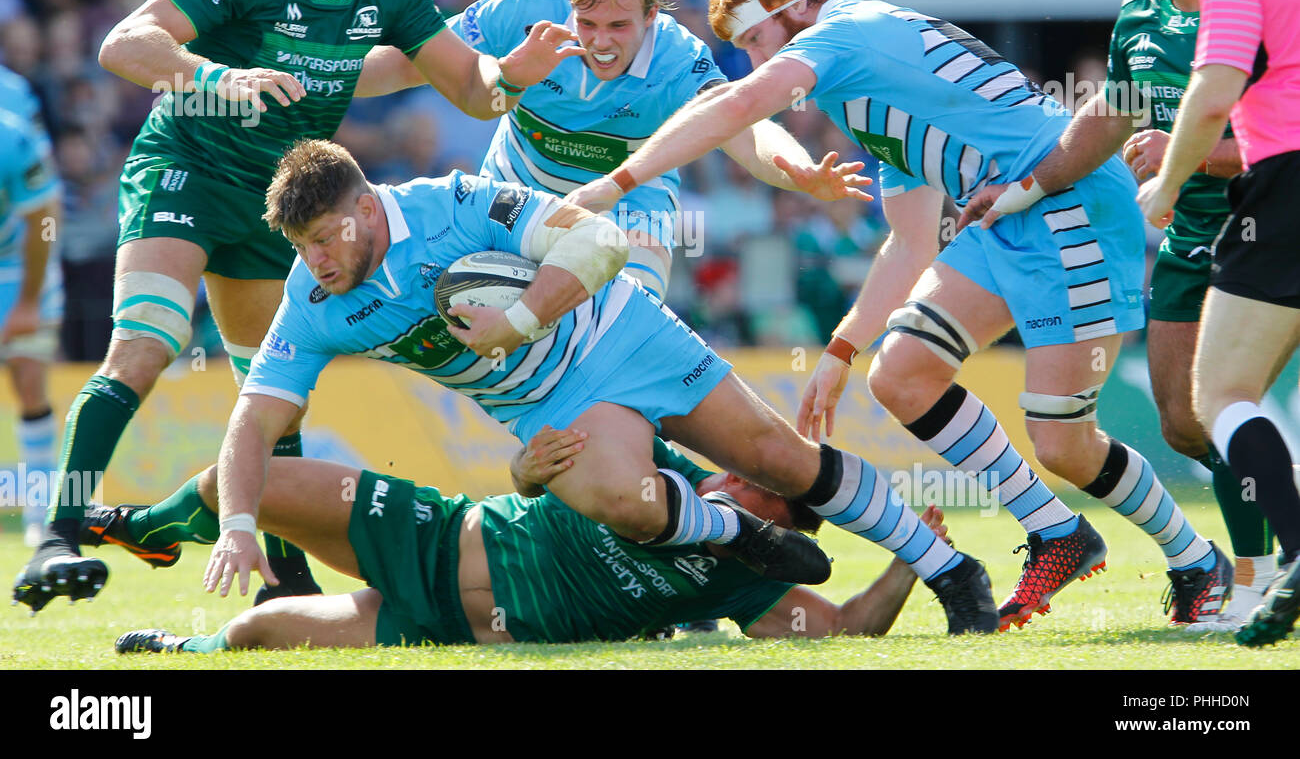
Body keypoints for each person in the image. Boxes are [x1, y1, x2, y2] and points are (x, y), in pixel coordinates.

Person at [569, 0, 1232, 630]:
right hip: (1003, 214)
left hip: (1068, 206)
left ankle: (1194, 560)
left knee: (1064, 442)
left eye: (757, 39)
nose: (758, 61)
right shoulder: (862, 85)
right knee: (902, 374)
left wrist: (617, 181)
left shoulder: (843, 34)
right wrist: (841, 350)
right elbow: (912, 239)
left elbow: (738, 108)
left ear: (795, 3)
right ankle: (1059, 533)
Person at [13, 0, 583, 613]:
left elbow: (472, 92)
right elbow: (125, 44)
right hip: (187, 163)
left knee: (271, 391)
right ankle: (60, 531)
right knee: (148, 342)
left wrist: (513, 75)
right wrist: (220, 76)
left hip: (280, 201)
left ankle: (282, 577)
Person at [200, 138, 999, 634]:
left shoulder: (453, 206)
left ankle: (952, 572)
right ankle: (733, 533)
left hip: (621, 332)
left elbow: (600, 238)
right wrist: (238, 521)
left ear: (367, 208)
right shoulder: (313, 304)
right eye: (302, 248)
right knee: (628, 505)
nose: (317, 262)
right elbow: (252, 420)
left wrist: (520, 319)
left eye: (325, 237)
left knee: (783, 460)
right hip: (550, 404)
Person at [95, 428, 952, 651]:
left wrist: (914, 563)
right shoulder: (653, 463)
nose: (745, 487)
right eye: (755, 475)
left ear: (781, 529)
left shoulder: (740, 581)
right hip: (433, 538)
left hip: (441, 627)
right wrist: (527, 469)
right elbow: (529, 474)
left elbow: (839, 630)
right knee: (238, 481)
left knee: (252, 633)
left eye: (773, 505)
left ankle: (184, 647)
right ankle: (155, 530)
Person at [359, 0, 868, 300]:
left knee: (621, 328)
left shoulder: (678, 57)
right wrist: (322, 80)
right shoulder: (524, 11)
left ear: (652, 16)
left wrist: (797, 171)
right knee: (473, 314)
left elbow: (743, 126)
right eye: (588, 23)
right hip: (518, 192)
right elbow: (416, 61)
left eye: (619, 26)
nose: (600, 42)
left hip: (631, 206)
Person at [1136, 0, 1300, 647]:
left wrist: (1165, 185)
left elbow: (1213, 89)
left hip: (1285, 187)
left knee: (1222, 392)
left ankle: (1297, 546)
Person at [1093, 0, 1270, 631]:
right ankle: (1278, 509)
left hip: (1267, 229)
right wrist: (1025, 183)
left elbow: (1276, 141)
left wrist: (1181, 154)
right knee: (1182, 423)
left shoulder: (1257, 8)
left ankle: (1258, 577)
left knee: (1223, 403)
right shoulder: (1137, 17)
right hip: (1189, 235)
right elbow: (1110, 116)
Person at [0, 73, 61, 548]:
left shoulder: (12, 126)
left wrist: (26, 302)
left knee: (27, 376)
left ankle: (42, 512)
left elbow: (44, 216)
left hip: (20, 261)